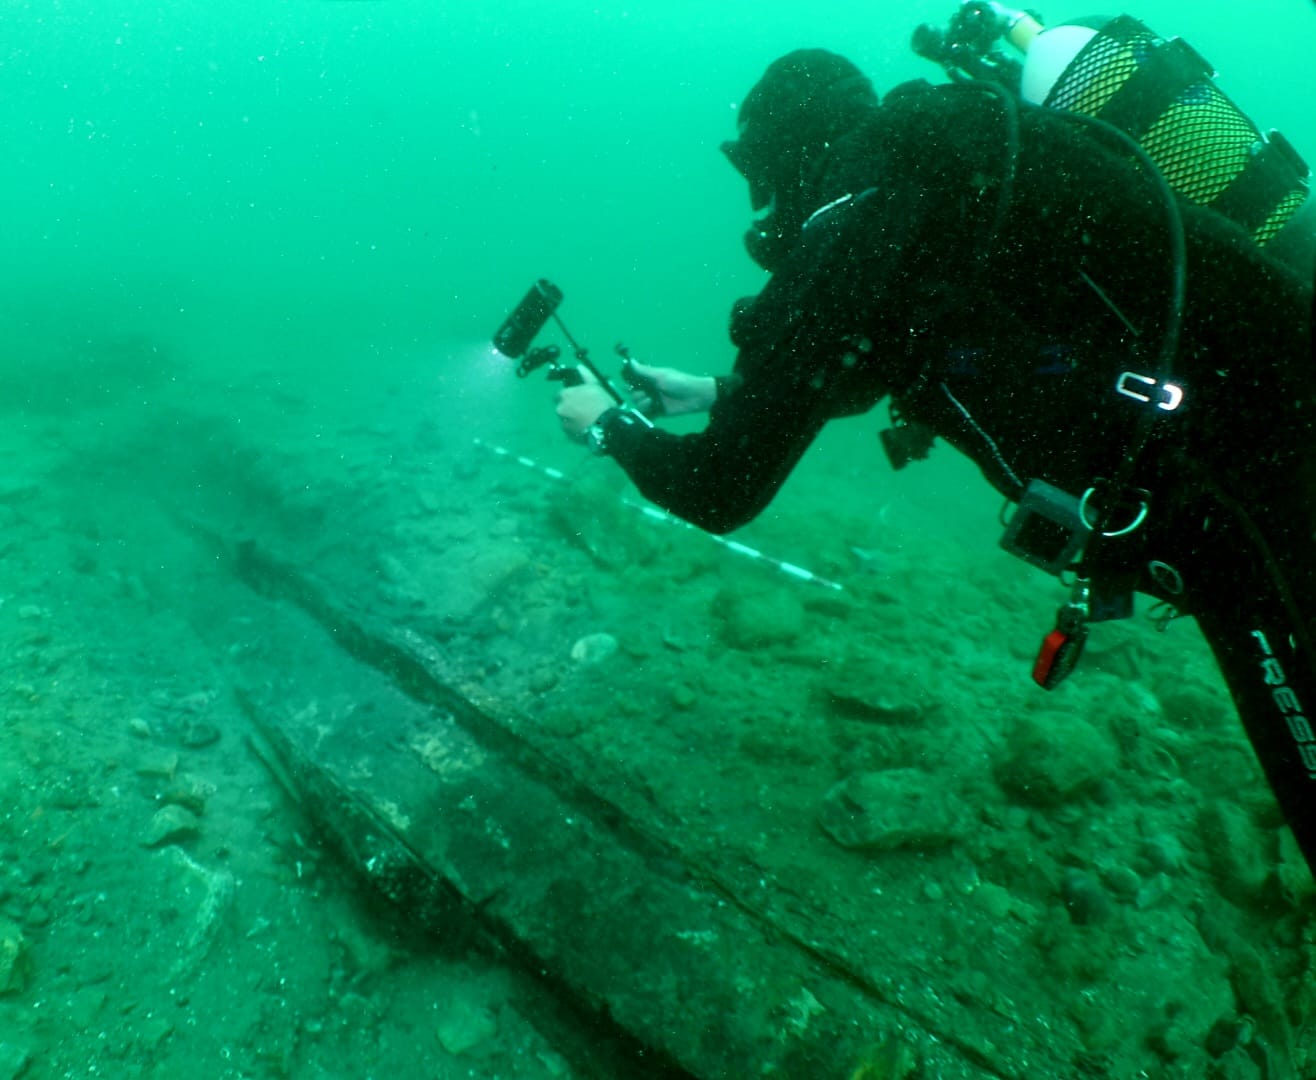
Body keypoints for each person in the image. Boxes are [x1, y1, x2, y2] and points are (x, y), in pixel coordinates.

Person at [552, 40, 1316, 876]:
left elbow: (720, 489)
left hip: (1241, 502)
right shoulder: (939, 162)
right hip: (1271, 415)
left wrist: (606, 425)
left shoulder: (857, 211)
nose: (760, 205)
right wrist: (719, 390)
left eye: (760, 175)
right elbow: (878, 355)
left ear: (790, 150)